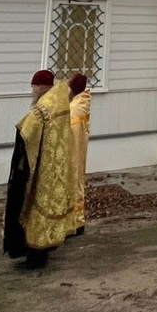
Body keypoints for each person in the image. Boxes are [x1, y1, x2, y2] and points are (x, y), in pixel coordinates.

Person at [3, 69, 75, 269]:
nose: (32, 91)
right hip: (55, 167)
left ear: (40, 87)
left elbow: (27, 131)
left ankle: (36, 255)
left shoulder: (42, 107)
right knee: (46, 209)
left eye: (34, 87)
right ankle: (42, 251)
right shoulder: (60, 101)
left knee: (35, 209)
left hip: (41, 168)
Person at [68, 74, 91, 232]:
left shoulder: (75, 108)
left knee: (74, 182)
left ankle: (75, 222)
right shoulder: (80, 102)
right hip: (76, 148)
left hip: (73, 150)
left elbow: (72, 131)